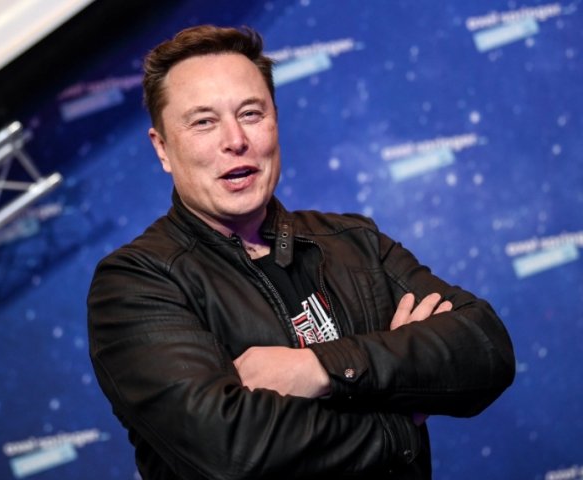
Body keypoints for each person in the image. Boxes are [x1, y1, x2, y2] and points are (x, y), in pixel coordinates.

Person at [87, 25, 515, 480]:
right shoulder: (136, 283)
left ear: (275, 121)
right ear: (163, 148)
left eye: (251, 113)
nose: (235, 139)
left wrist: (318, 368)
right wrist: (398, 417)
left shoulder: (353, 240)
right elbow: (231, 452)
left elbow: (484, 348)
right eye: (203, 122)